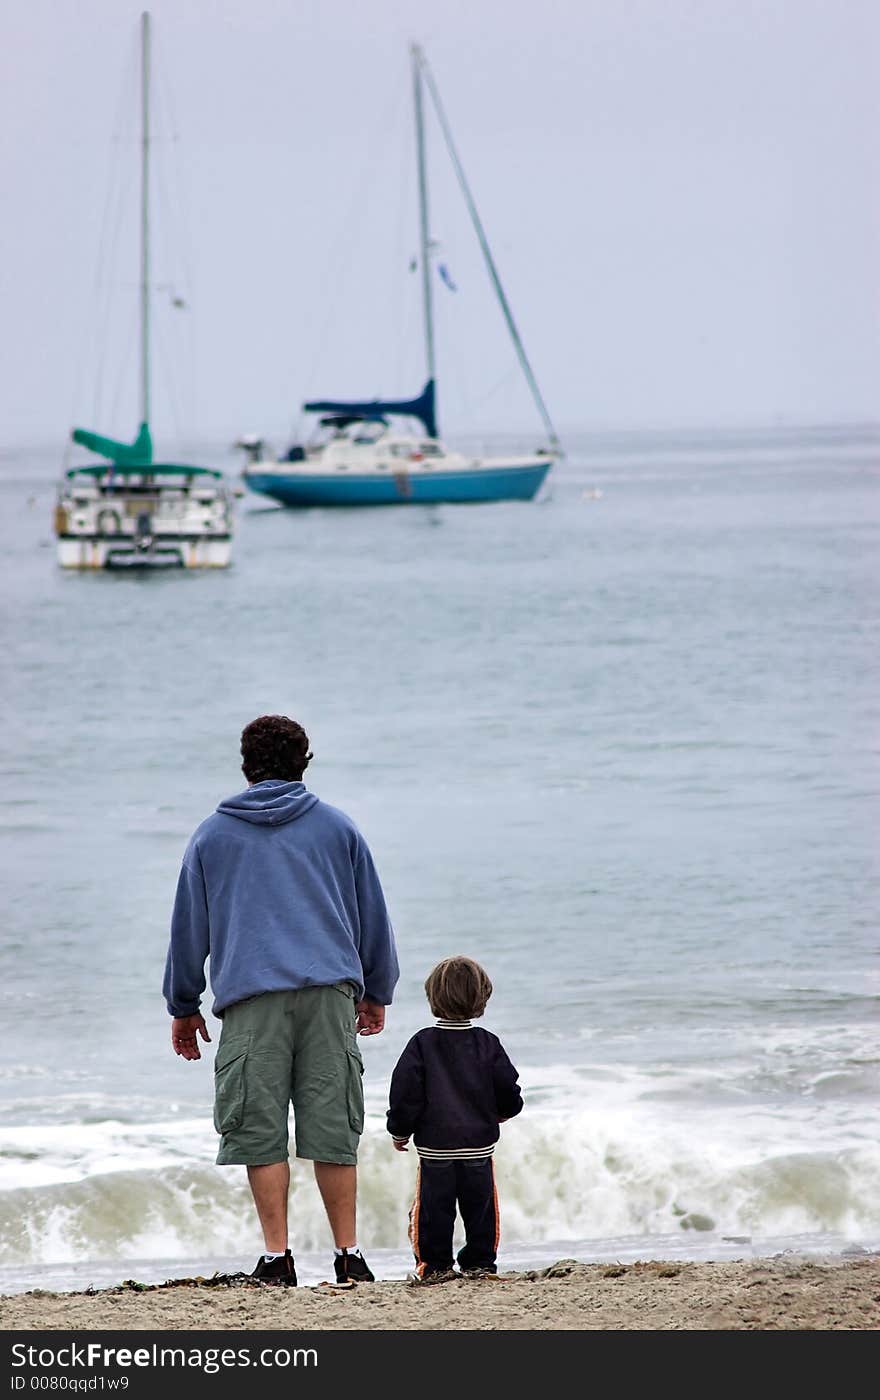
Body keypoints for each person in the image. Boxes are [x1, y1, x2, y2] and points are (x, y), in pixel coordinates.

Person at [163, 714, 399, 1287]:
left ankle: (277, 1257)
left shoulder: (212, 836)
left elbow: (189, 927)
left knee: (258, 1127)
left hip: (251, 1000)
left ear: (246, 765)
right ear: (304, 762)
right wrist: (376, 989)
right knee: (332, 1124)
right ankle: (348, 1254)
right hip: (328, 994)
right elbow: (372, 915)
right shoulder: (338, 828)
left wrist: (184, 1003)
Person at [386, 955, 523, 1281]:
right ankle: (479, 1263)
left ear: (433, 997)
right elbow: (508, 1088)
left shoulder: (422, 1043)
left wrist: (399, 1130)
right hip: (478, 1145)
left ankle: (434, 1266)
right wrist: (502, 1113)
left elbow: (406, 1094)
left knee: (434, 1211)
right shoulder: (487, 1043)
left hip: (436, 1147)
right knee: (481, 1210)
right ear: (481, 999)